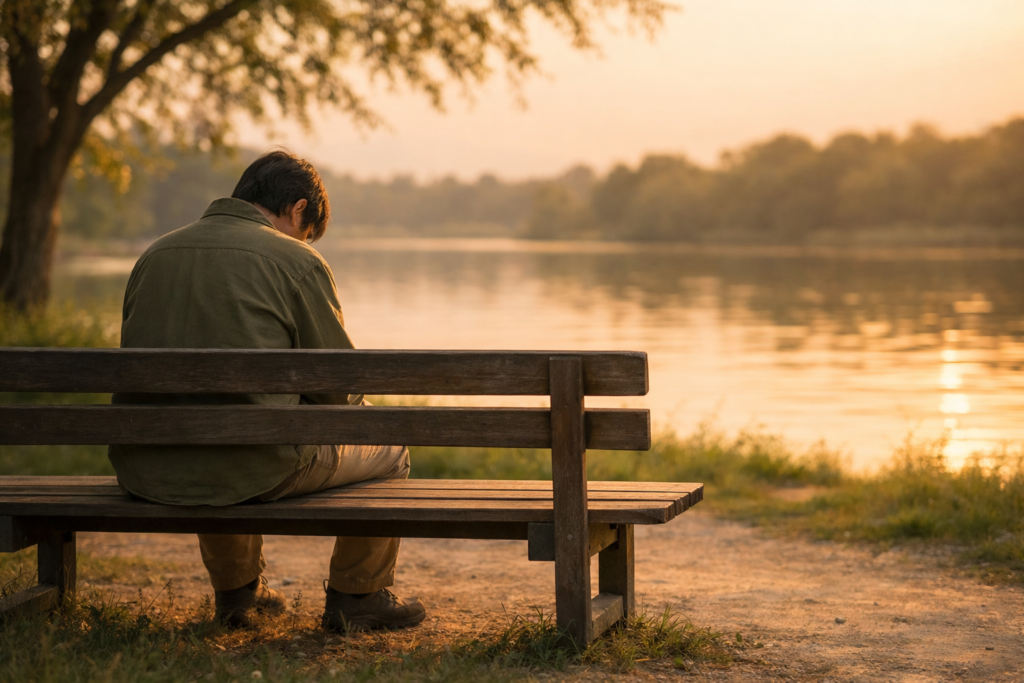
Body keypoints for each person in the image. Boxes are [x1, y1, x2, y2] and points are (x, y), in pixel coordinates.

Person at [108, 150, 426, 631]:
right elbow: (338, 391)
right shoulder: (295, 260)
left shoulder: (155, 255)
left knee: (223, 430)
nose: (304, 239)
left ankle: (238, 594)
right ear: (298, 210)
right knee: (390, 446)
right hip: (258, 466)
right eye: (307, 229)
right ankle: (357, 595)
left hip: (146, 464)